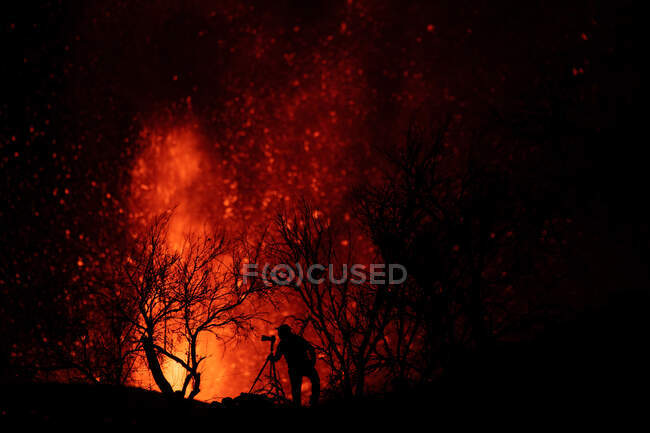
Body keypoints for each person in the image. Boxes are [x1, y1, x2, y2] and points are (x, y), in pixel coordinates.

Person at [268, 324, 320, 407]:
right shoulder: (296, 339)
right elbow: (311, 348)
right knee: (315, 382)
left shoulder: (283, 343)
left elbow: (277, 358)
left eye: (279, 332)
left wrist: (272, 358)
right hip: (304, 365)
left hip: (296, 368)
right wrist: (312, 362)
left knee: (296, 390)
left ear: (283, 333)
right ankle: (313, 401)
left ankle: (300, 405)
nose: (278, 334)